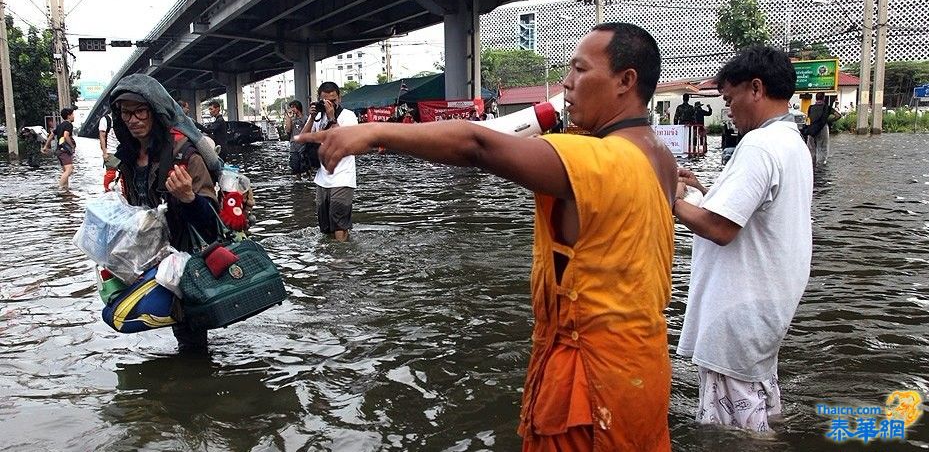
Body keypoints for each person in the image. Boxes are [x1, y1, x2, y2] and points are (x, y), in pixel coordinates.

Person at [298, 23, 678, 451]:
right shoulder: (660, 155)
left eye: (580, 70)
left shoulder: (599, 157)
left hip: (588, 388)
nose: (568, 83)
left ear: (626, 81)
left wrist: (373, 133)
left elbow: (477, 144)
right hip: (642, 373)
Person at [672, 45, 813, 432]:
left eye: (730, 99)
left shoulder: (758, 145)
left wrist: (665, 198)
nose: (728, 110)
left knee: (735, 433)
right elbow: (749, 213)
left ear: (756, 88)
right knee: (761, 409)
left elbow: (720, 228)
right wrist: (700, 189)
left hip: (736, 315)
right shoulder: (791, 142)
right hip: (764, 307)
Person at [110, 74, 223, 352]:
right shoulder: (127, 157)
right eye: (126, 113)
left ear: (156, 112)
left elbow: (212, 226)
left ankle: (196, 385)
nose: (133, 119)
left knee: (191, 336)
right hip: (154, 258)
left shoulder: (185, 155)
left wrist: (188, 198)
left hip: (188, 259)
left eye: (140, 111)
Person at [308, 82, 358, 242]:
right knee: (325, 226)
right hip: (322, 179)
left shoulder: (348, 116)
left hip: (343, 177)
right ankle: (330, 259)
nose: (330, 104)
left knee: (339, 223)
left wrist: (331, 117)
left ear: (340, 98)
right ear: (319, 100)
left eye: (333, 100)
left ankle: (341, 261)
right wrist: (311, 117)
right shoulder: (318, 117)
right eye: (325, 101)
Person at [41, 107, 77, 190]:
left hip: (59, 151)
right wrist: (71, 146)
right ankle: (60, 188)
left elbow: (51, 135)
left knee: (65, 171)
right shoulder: (68, 125)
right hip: (64, 151)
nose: (74, 116)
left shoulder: (60, 125)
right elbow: (66, 135)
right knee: (70, 169)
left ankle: (66, 189)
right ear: (69, 116)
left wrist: (46, 146)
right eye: (73, 114)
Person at [805, 92, 841, 166]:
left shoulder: (810, 107)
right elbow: (838, 116)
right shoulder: (827, 107)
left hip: (812, 129)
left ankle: (812, 165)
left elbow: (808, 118)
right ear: (823, 98)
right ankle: (821, 166)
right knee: (822, 148)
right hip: (823, 129)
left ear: (816, 98)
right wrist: (828, 120)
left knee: (811, 148)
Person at [283, 100, 312, 179]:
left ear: (298, 107)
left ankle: (309, 176)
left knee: (305, 164)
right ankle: (298, 179)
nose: (292, 109)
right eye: (291, 107)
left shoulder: (306, 118)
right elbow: (288, 130)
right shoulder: (292, 119)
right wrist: (288, 117)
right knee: (295, 165)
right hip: (294, 145)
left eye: (293, 107)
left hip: (303, 145)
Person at [99, 108, 120, 190]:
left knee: (126, 174)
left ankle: (125, 194)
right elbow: (102, 136)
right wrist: (104, 152)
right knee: (111, 174)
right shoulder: (105, 120)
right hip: (111, 151)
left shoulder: (123, 118)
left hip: (123, 150)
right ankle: (107, 191)